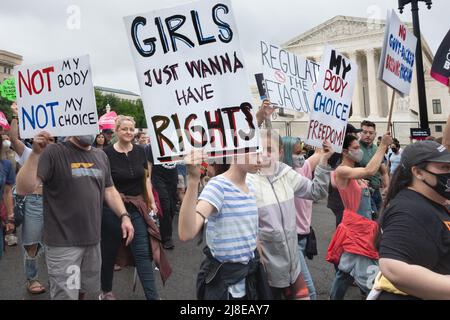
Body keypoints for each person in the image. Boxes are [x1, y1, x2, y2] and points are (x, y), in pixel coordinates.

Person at [16, 131, 134, 300]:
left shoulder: (100, 155)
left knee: (82, 291)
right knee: (66, 295)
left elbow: (109, 189)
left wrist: (124, 215)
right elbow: (23, 188)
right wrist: (35, 154)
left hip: (93, 241)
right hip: (64, 244)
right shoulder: (54, 151)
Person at [248, 124, 333, 299]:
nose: (264, 154)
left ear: (280, 152)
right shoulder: (247, 182)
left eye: (269, 149)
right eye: (259, 149)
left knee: (309, 295)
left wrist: (324, 160)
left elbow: (316, 192)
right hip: (266, 273)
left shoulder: (286, 173)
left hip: (293, 266)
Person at [179, 150, 271, 300]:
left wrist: (258, 253)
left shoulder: (251, 184)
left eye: (261, 153)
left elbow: (249, 228)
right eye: (254, 153)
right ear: (235, 152)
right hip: (224, 287)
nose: (260, 159)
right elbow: (186, 233)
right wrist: (193, 181)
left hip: (249, 280)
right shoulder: (218, 186)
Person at [100, 115, 169, 300]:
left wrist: (151, 201)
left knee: (142, 253)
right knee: (110, 251)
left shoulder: (140, 151)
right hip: (112, 209)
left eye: (131, 129)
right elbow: (105, 185)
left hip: (136, 207)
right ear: (117, 130)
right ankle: (106, 291)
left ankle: (152, 296)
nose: (129, 132)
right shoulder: (105, 153)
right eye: (124, 129)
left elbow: (145, 177)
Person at [372, 141, 450, 300]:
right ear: (418, 172)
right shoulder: (408, 209)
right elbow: (393, 267)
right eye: (445, 168)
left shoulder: (430, 201)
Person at [327, 133, 392, 300]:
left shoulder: (354, 172)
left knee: (345, 271)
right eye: (355, 148)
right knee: (368, 273)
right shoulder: (342, 170)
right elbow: (370, 170)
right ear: (344, 151)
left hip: (363, 227)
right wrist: (383, 146)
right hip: (356, 229)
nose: (359, 151)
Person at [8, 103, 46, 294]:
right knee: (31, 243)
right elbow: (13, 138)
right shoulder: (29, 153)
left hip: (57, 203)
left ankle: (59, 277)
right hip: (34, 202)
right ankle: (32, 279)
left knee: (58, 244)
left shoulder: (60, 153)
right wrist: (16, 115)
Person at [281, 136, 325, 300]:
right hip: (290, 240)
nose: (301, 156)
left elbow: (320, 152)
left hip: (304, 236)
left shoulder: (304, 168)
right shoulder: (280, 177)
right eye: (297, 152)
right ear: (284, 153)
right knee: (308, 292)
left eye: (303, 152)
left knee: (291, 291)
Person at [327, 124, 362, 227]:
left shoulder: (351, 155)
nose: (356, 136)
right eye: (354, 133)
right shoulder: (337, 155)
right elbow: (336, 176)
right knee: (343, 228)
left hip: (346, 201)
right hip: (341, 200)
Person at [145, 145, 179, 250]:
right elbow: (149, 164)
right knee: (165, 206)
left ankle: (163, 230)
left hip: (172, 178)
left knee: (172, 208)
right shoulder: (151, 146)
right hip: (158, 179)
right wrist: (148, 180)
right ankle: (166, 238)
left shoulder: (175, 143)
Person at [359, 121, 390, 213]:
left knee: (381, 218)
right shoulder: (355, 148)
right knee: (371, 220)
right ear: (360, 133)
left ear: (375, 134)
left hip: (376, 191)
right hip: (362, 192)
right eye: (364, 132)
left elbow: (384, 172)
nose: (368, 135)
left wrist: (387, 188)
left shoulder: (377, 149)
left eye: (371, 133)